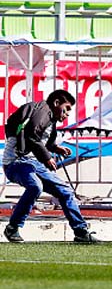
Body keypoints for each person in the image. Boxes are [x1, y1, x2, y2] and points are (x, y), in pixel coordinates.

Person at [3, 90, 99, 243]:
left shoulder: (49, 119)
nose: (67, 114)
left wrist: (55, 148)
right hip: (16, 162)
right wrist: (47, 157)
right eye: (66, 108)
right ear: (56, 103)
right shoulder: (43, 111)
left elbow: (41, 139)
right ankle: (13, 227)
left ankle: (81, 232)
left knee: (65, 191)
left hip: (32, 163)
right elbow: (31, 135)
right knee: (35, 186)